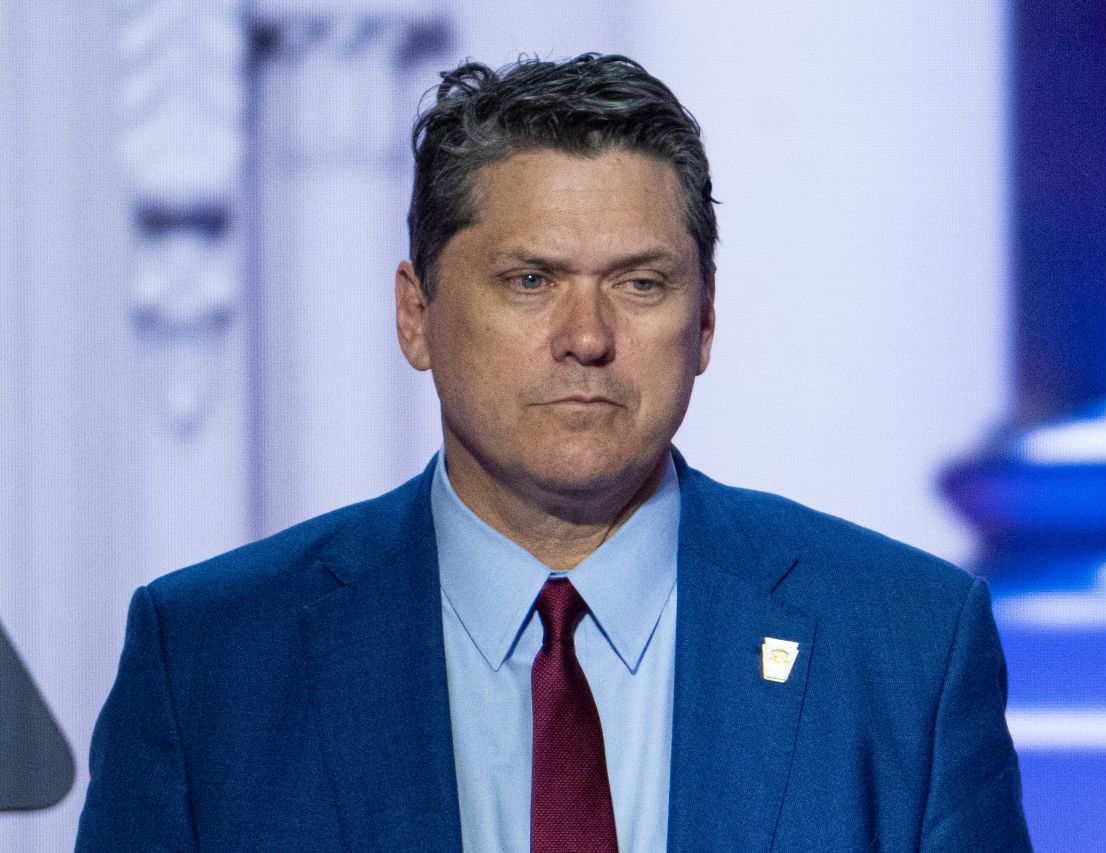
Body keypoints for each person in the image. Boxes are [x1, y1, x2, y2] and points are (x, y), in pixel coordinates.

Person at [76, 54, 1032, 852]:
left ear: (705, 321)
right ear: (416, 313)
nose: (587, 335)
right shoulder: (210, 662)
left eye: (642, 282)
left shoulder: (906, 646)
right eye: (530, 280)